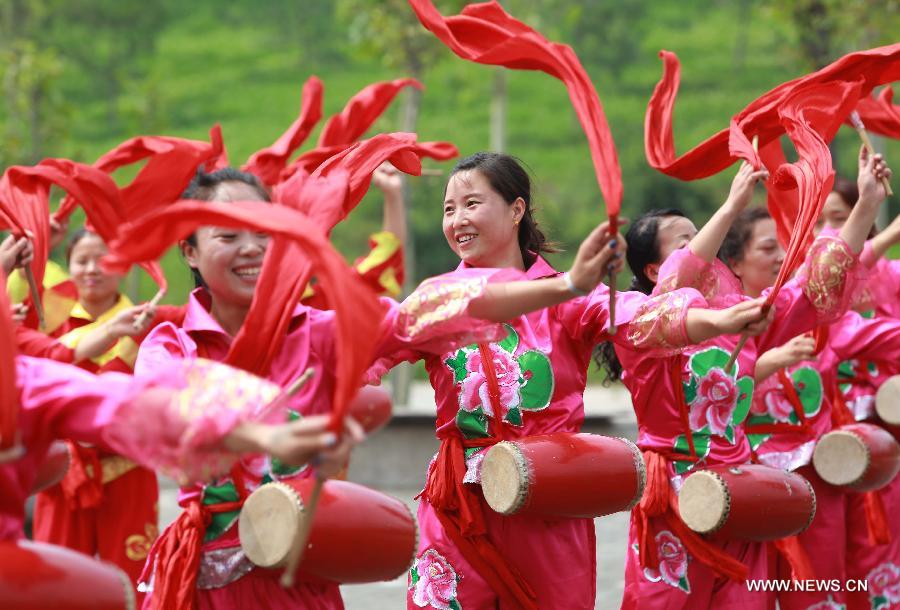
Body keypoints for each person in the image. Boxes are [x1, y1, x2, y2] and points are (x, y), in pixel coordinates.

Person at [360, 152, 775, 610]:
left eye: (472, 203)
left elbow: (643, 318)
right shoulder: (439, 299)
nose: (458, 219)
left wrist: (716, 322)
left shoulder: (571, 299)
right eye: (448, 208)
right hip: (458, 506)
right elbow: (372, 347)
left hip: (550, 499)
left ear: (516, 210)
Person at [602, 148, 889, 609]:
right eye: (684, 240)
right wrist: (733, 205)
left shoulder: (742, 323)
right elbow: (684, 277)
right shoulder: (642, 327)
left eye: (702, 236)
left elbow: (814, 286)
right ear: (653, 271)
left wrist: (867, 207)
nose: (704, 248)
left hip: (741, 491)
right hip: (677, 496)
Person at [28, 227, 181, 596]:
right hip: (61, 475)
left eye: (104, 260)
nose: (92, 269)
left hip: (128, 471)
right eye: (82, 260)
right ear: (70, 268)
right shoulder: (46, 321)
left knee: (131, 581)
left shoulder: (152, 322)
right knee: (54, 583)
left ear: (126, 268)